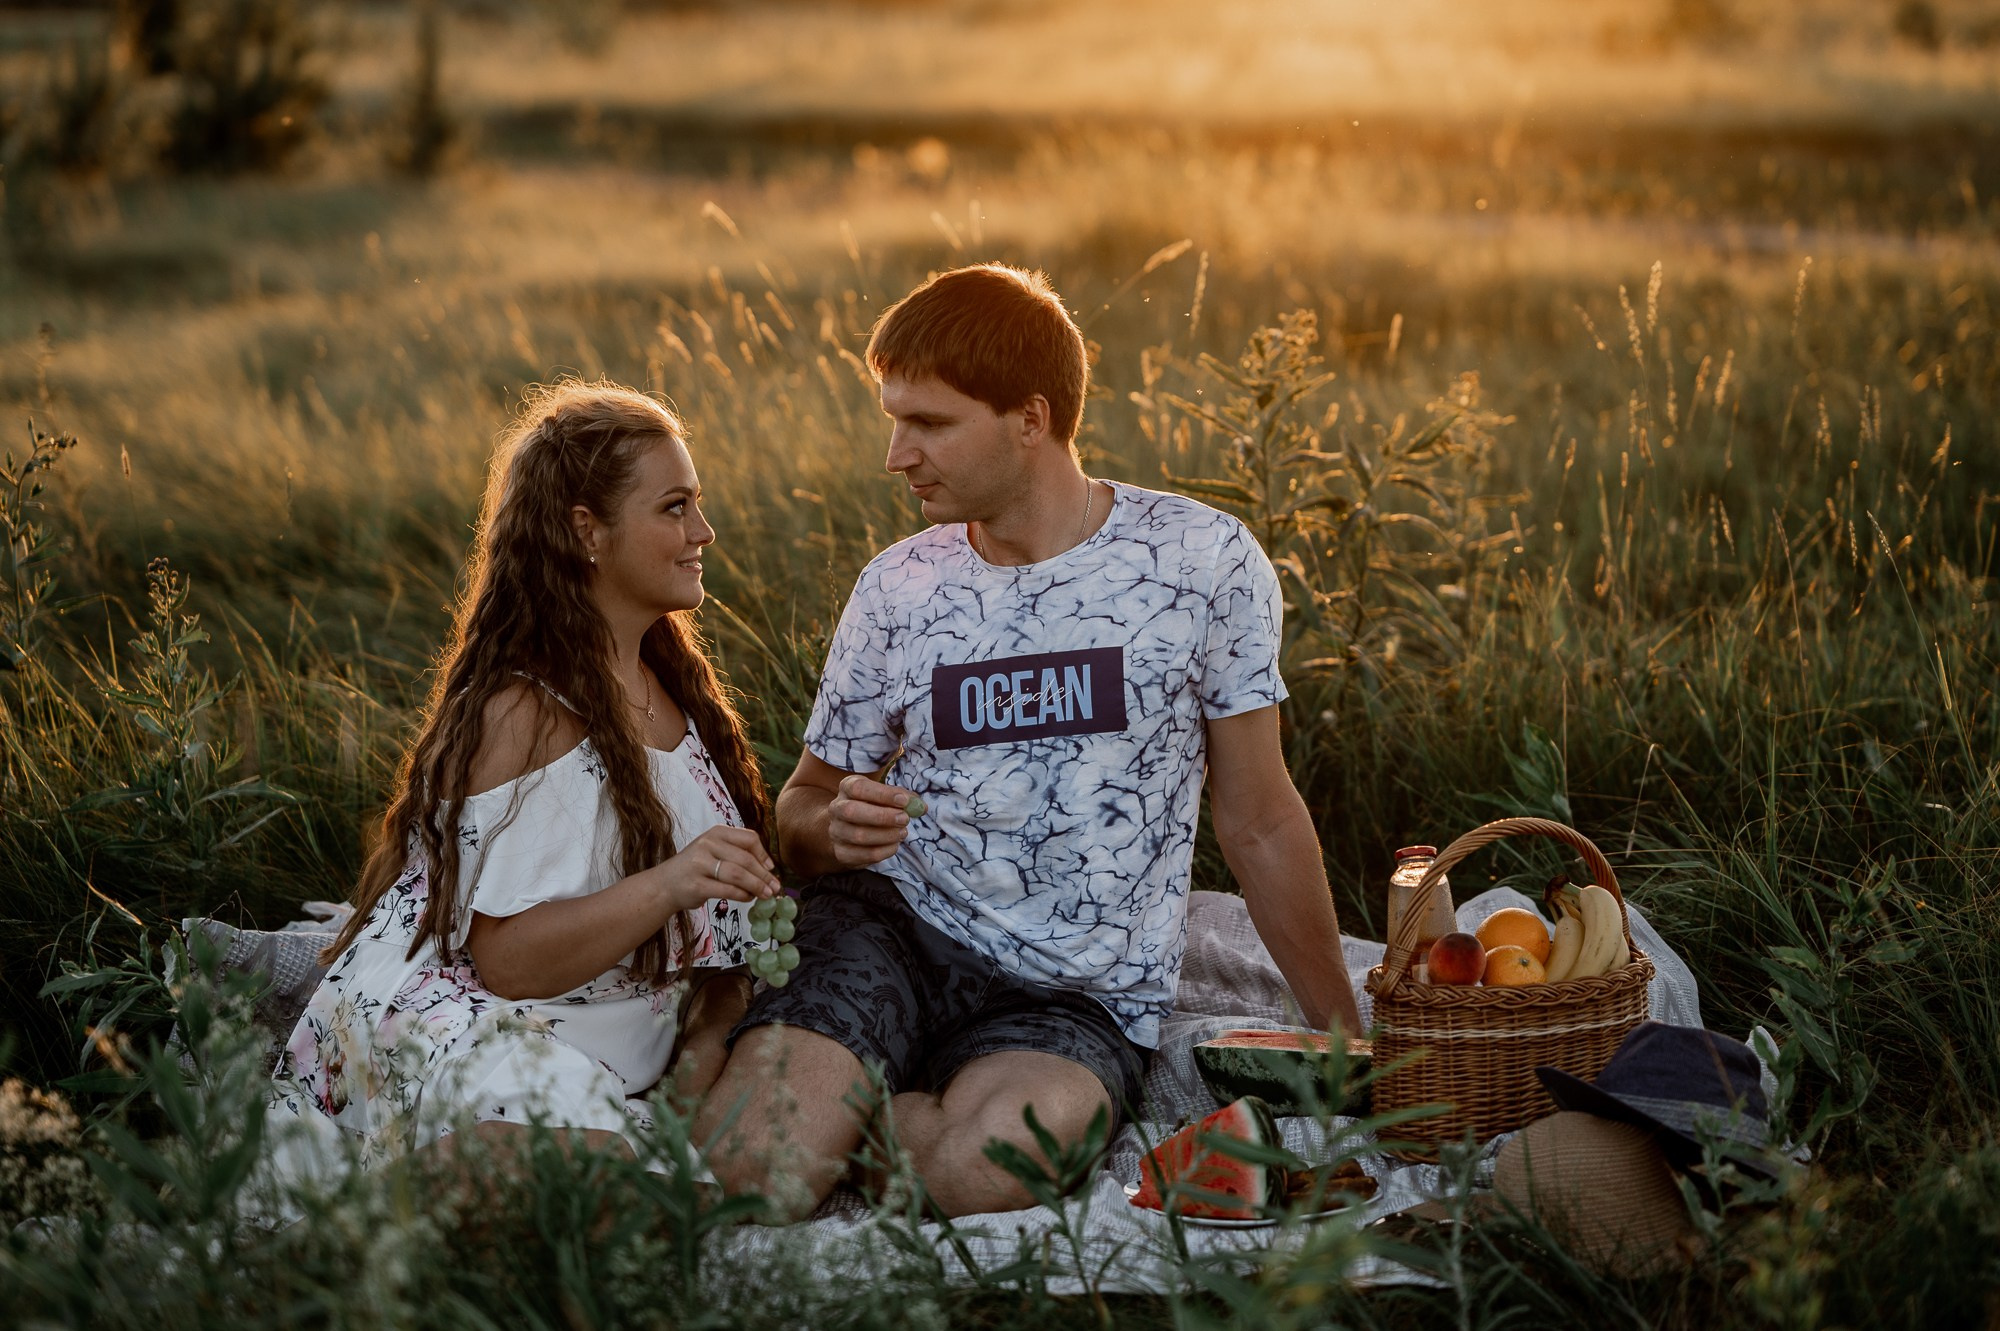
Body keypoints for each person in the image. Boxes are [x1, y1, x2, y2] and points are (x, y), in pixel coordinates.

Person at [697, 263, 1364, 1220]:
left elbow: (1258, 819)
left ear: (1030, 418)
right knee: (754, 1171)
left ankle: (851, 1105)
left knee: (985, 1173)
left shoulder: (1201, 562)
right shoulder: (897, 586)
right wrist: (831, 826)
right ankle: (817, 1094)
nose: (897, 453)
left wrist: (1343, 1037)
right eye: (894, 418)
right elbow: (798, 809)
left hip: (1073, 994)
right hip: (887, 929)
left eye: (929, 423)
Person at [266, 380, 782, 1182]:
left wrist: (708, 1041)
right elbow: (507, 961)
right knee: (591, 1191)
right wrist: (674, 882)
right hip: (488, 1030)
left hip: (600, 1048)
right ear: (588, 532)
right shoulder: (526, 710)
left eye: (697, 503)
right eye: (674, 507)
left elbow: (720, 947)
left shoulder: (669, 681)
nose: (703, 531)